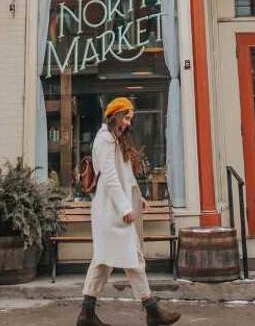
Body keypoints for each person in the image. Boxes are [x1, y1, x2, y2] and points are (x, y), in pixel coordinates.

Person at [77, 97, 180, 326]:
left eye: (130, 118)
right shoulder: (104, 140)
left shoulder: (115, 140)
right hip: (111, 212)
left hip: (114, 210)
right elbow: (111, 177)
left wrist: (138, 198)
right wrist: (125, 207)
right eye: (125, 117)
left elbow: (124, 176)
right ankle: (152, 310)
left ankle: (86, 313)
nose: (128, 122)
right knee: (132, 258)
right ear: (114, 116)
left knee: (103, 262)